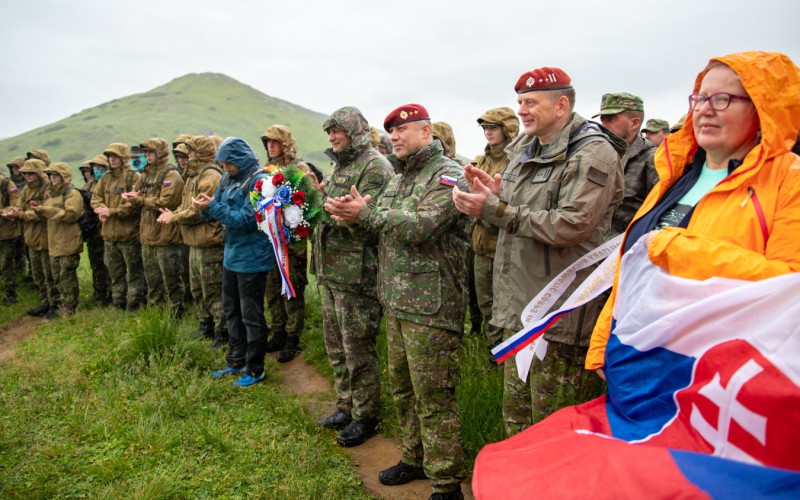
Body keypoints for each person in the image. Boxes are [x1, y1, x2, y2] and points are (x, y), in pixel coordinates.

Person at [586, 51, 800, 374]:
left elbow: (790, 286)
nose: (704, 110)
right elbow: (631, 268)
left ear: (761, 110)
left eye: (723, 99)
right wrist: (603, 345)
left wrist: (679, 251)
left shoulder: (788, 180)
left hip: (727, 375)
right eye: (699, 98)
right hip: (644, 363)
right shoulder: (676, 177)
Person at [452, 67, 624, 437]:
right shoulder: (526, 149)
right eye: (519, 102)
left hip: (560, 317)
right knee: (518, 425)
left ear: (561, 105)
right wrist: (491, 195)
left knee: (557, 431)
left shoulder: (594, 152)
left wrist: (494, 209)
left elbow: (572, 224)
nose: (522, 111)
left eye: (530, 102)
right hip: (522, 313)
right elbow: (515, 211)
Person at [325, 104, 468, 500]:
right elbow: (381, 230)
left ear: (427, 131)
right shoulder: (400, 176)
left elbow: (422, 226)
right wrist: (352, 217)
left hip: (432, 307)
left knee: (434, 396)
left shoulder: (447, 175)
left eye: (404, 130)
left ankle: (446, 482)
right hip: (398, 300)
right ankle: (414, 457)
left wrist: (367, 214)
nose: (396, 137)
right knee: (404, 390)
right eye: (392, 132)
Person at [314, 106, 393, 447]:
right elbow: (326, 206)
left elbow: (367, 220)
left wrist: (322, 211)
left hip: (357, 274)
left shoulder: (375, 166)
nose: (332, 137)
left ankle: (366, 415)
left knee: (357, 349)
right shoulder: (340, 166)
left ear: (355, 131)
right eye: (329, 132)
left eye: (338, 131)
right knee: (336, 346)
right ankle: (345, 404)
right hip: (332, 271)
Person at [193, 137, 275, 387]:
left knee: (251, 315)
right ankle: (236, 360)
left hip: (252, 259)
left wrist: (214, 207)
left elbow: (245, 219)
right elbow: (217, 207)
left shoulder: (260, 182)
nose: (226, 168)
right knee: (231, 311)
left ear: (240, 159)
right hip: (231, 255)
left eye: (229, 163)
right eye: (223, 164)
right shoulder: (227, 179)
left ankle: (255, 368)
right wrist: (204, 208)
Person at [157, 136, 226, 347]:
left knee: (214, 291)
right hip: (195, 243)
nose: (187, 155)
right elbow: (185, 204)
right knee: (198, 290)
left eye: (191, 151)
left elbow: (198, 210)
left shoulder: (210, 177)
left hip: (210, 244)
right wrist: (174, 212)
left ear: (201, 152)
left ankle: (222, 334)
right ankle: (205, 325)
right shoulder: (193, 176)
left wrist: (175, 217)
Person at [470, 107, 519, 352]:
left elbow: (516, 204)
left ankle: (506, 353)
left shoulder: (516, 160)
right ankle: (492, 354)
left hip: (504, 245)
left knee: (507, 307)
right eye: (485, 128)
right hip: (481, 246)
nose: (488, 132)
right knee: (485, 305)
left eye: (493, 127)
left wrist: (485, 211)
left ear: (507, 129)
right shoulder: (480, 160)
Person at [259, 124, 310, 362]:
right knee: (272, 289)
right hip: (271, 242)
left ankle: (293, 338)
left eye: (275, 141)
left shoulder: (299, 168)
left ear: (285, 143)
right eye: (267, 142)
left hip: (292, 243)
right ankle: (278, 330)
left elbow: (309, 205)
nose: (270, 145)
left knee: (292, 291)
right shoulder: (267, 169)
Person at [122, 138, 185, 316]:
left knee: (171, 279)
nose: (147, 156)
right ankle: (155, 314)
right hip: (148, 237)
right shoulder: (145, 175)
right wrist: (132, 197)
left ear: (160, 153)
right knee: (152, 281)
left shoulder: (171, 175)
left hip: (166, 237)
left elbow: (166, 202)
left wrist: (139, 199)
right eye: (146, 153)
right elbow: (140, 196)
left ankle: (176, 314)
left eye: (150, 152)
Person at [593, 93, 659, 233]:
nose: (603, 126)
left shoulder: (653, 159)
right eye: (602, 120)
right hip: (593, 245)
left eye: (611, 119)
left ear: (634, 123)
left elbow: (661, 211)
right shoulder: (598, 155)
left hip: (627, 246)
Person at [92, 143, 146, 311]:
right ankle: (118, 304)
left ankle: (134, 305)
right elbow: (95, 197)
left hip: (129, 236)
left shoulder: (134, 177)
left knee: (134, 273)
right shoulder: (105, 178)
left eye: (115, 156)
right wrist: (100, 209)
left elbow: (133, 206)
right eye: (109, 156)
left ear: (123, 158)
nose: (111, 159)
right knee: (115, 274)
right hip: (109, 236)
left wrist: (111, 211)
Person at [4, 159, 55, 316]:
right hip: (31, 237)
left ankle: (54, 304)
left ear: (39, 173)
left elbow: (45, 211)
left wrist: (21, 214)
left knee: (49, 274)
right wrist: (13, 212)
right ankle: (44, 301)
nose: (27, 176)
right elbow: (18, 205)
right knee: (38, 274)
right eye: (25, 173)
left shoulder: (48, 189)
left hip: (46, 236)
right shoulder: (26, 189)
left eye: (31, 173)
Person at [33, 162, 83, 318]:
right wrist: (38, 209)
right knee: (56, 278)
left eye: (56, 175)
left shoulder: (72, 193)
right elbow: (49, 213)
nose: (53, 178)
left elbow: (71, 214)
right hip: (54, 243)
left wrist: (46, 210)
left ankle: (70, 310)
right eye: (51, 175)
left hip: (68, 243)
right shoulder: (51, 194)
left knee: (67, 278)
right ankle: (60, 307)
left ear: (64, 176)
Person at [80, 155, 112, 304]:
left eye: (100, 167)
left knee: (109, 263)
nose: (96, 170)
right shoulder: (88, 185)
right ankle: (99, 291)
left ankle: (110, 292)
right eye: (95, 167)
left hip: (107, 227)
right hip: (93, 230)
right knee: (95, 262)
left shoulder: (108, 182)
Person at [0, 165, 22, 304]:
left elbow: (16, 204)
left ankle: (11, 294)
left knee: (5, 264)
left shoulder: (6, 184)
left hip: (6, 231)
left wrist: (3, 211)